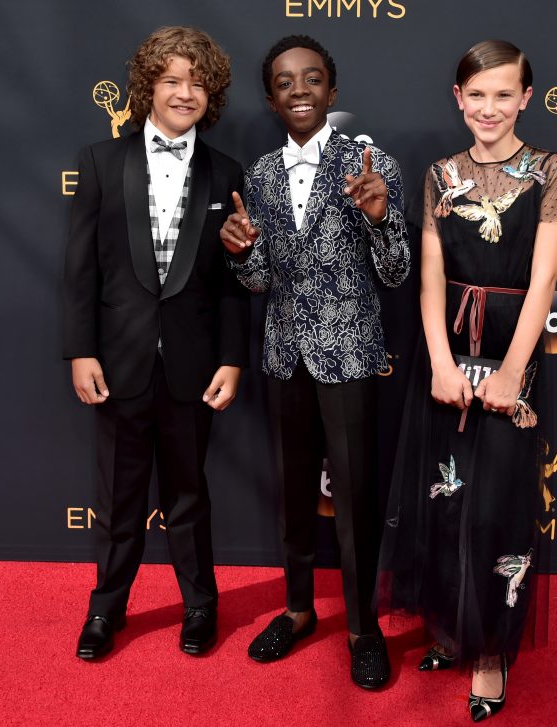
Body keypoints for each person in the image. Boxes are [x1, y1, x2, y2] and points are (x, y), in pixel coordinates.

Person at [377, 40, 557, 721]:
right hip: (448, 351)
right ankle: (450, 628)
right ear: (458, 99)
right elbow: (430, 277)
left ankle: (490, 656)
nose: (489, 107)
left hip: (513, 351)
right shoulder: (438, 174)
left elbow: (544, 276)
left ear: (525, 98)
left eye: (503, 94)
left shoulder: (550, 170)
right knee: (445, 501)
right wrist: (437, 360)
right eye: (476, 94)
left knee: (500, 509)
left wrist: (514, 370)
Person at [219, 35, 410, 689]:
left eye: (311, 77)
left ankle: (363, 628)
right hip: (284, 353)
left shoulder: (372, 161)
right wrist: (243, 252)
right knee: (295, 493)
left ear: (332, 88)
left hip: (351, 352)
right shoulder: (261, 176)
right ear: (271, 97)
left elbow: (396, 271)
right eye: (284, 81)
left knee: (354, 498)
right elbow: (261, 280)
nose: (298, 89)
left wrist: (382, 216)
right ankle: (298, 609)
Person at [63, 26, 249, 660]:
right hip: (117, 361)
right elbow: (79, 270)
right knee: (117, 498)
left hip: (193, 368)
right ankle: (106, 610)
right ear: (147, 88)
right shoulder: (99, 162)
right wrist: (80, 351)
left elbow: (232, 281)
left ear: (211, 94)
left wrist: (230, 358)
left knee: (188, 494)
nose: (184, 92)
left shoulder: (227, 172)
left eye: (197, 82)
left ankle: (201, 606)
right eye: (171, 80)